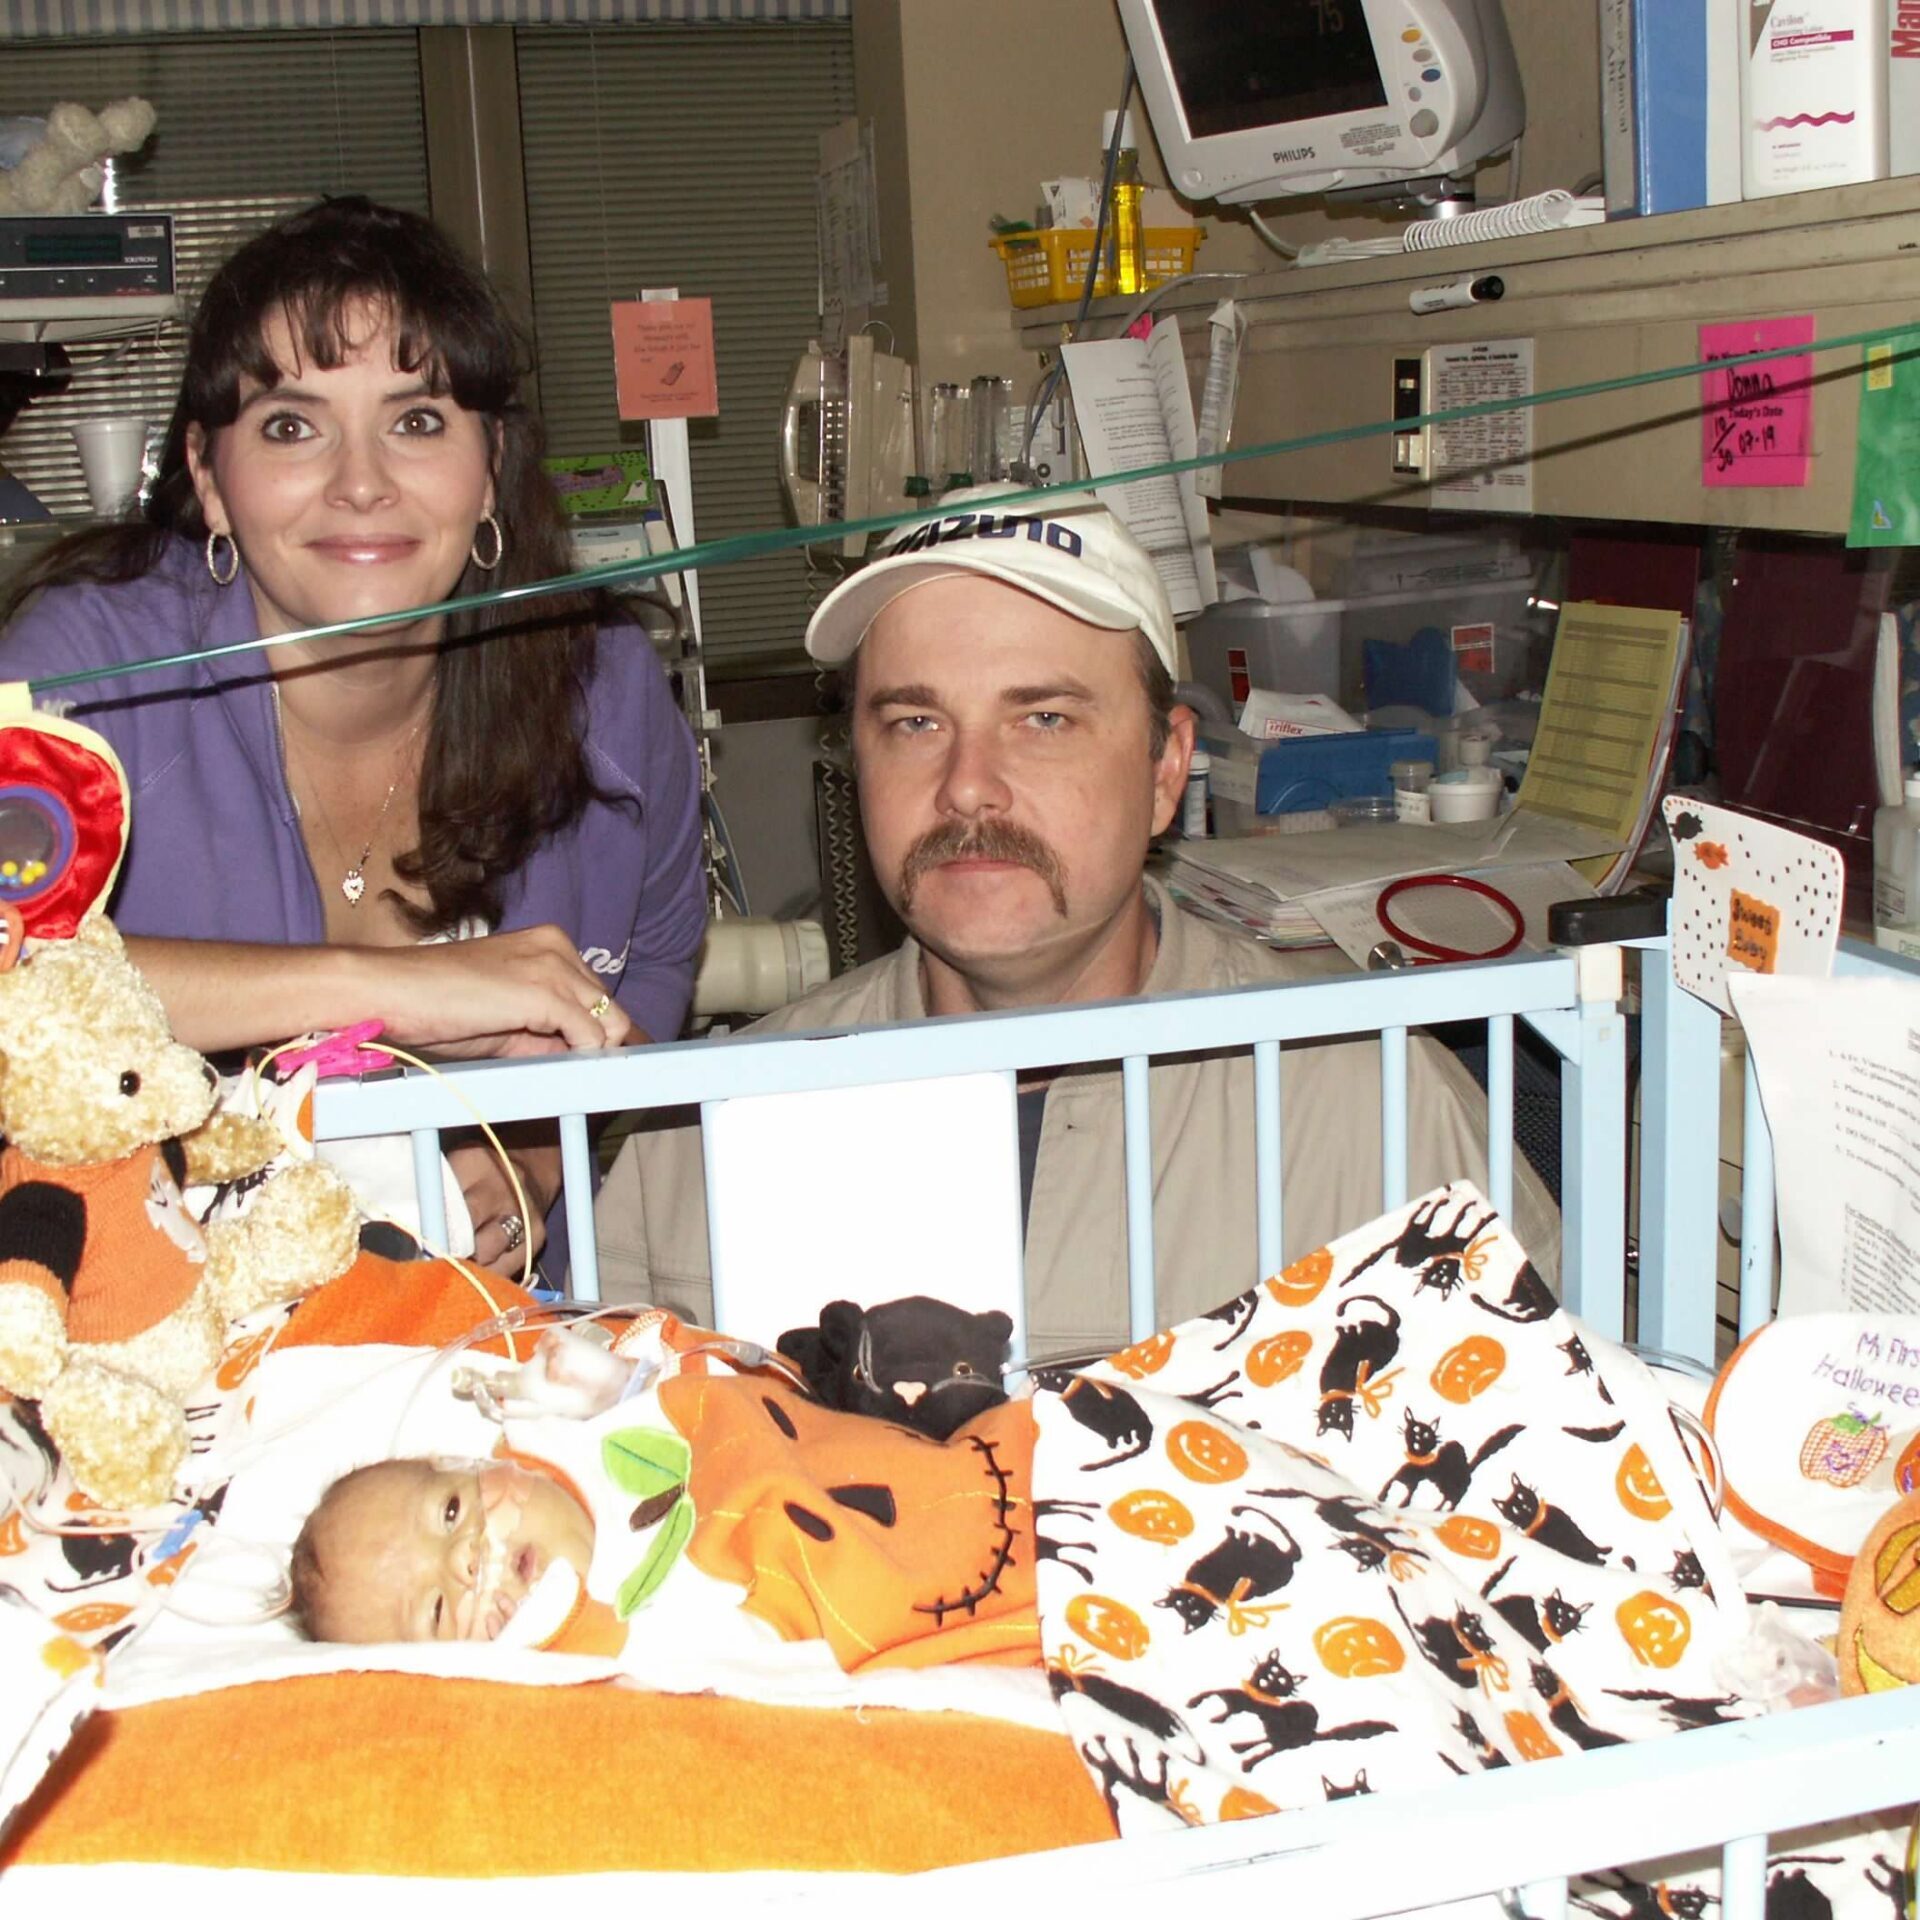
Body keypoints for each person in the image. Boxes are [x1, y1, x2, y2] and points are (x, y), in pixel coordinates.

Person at [594, 489, 1558, 1352]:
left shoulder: (1377, 1121)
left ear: (1165, 769)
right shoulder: (697, 1141)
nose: (968, 786)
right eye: (915, 723)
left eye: (1043, 719)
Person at [0, 197, 707, 1274]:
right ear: (207, 475)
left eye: (416, 420)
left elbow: (651, 958)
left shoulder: (598, 682)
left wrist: (532, 1158)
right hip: (140, 1334)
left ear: (491, 464)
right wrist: (390, 991)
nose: (361, 480)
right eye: (292, 425)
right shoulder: (90, 676)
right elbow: (15, 971)